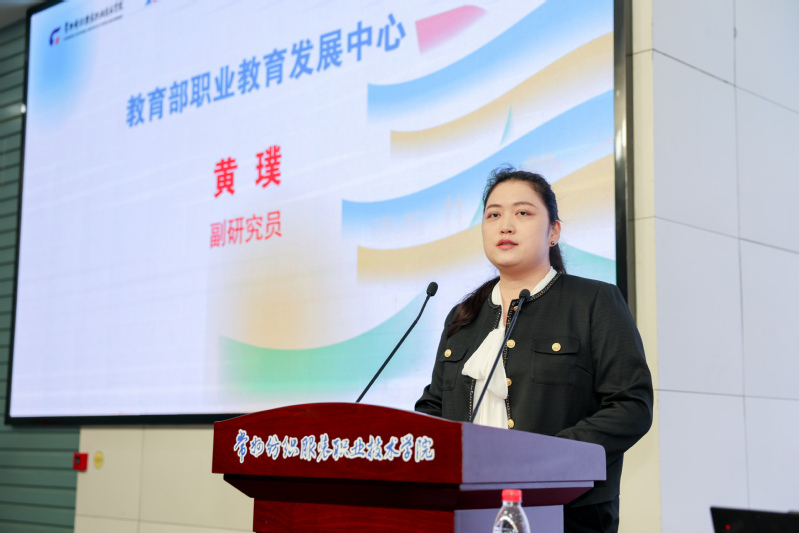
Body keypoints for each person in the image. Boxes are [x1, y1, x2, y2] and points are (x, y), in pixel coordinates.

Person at [415, 167, 653, 533]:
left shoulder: (594, 302)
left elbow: (631, 406)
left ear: (553, 231)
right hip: (465, 514)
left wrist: (548, 458)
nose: (505, 226)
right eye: (493, 215)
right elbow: (433, 409)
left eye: (523, 213)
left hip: (566, 515)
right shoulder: (463, 317)